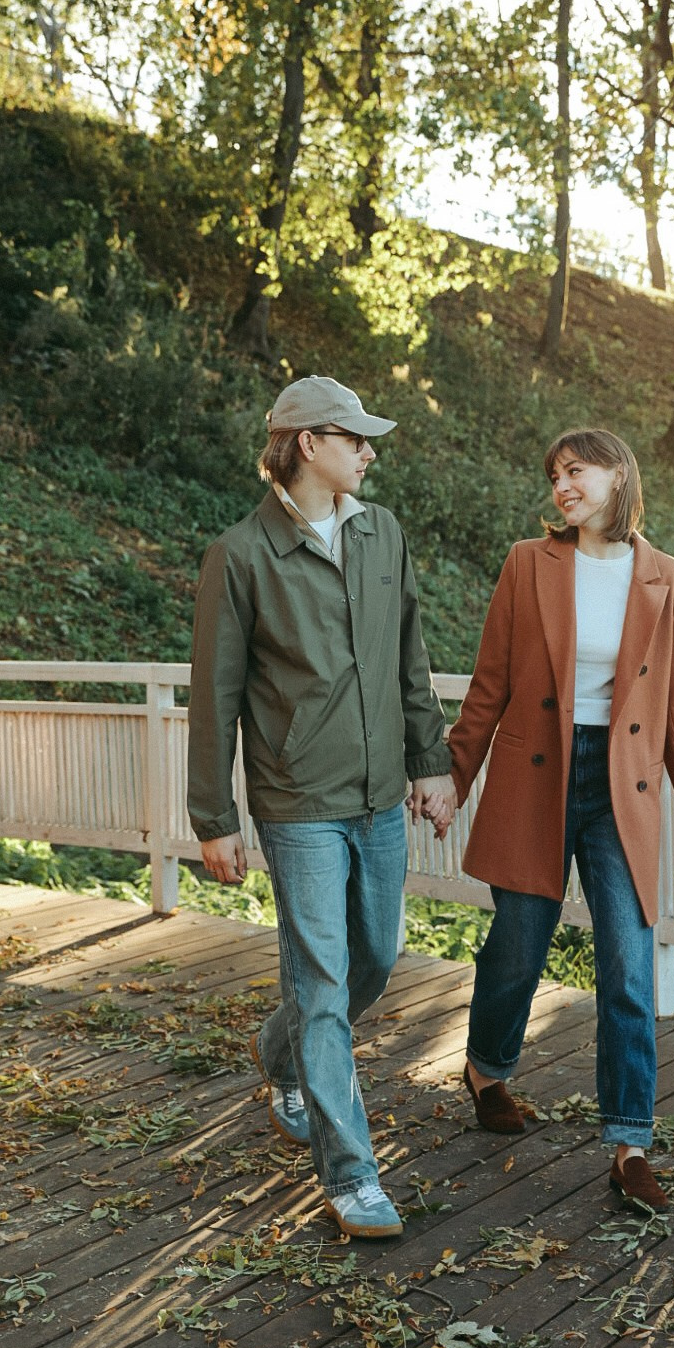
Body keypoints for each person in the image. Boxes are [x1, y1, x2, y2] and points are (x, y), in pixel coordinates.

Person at [187, 375, 456, 1240]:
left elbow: (410, 659)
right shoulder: (241, 555)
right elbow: (215, 694)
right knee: (328, 981)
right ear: (308, 444)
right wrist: (213, 814)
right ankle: (352, 1178)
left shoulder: (383, 534)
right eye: (356, 438)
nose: (370, 451)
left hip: (379, 796)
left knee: (374, 955)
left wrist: (431, 763)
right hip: (296, 799)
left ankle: (281, 1050)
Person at [447, 428, 674, 1210]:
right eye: (555, 475)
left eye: (576, 471)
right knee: (518, 950)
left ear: (616, 474)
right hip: (536, 778)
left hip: (621, 790)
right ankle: (486, 1069)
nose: (562, 485)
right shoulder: (527, 562)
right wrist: (452, 779)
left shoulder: (668, 578)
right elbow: (489, 684)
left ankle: (630, 1144)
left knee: (629, 969)